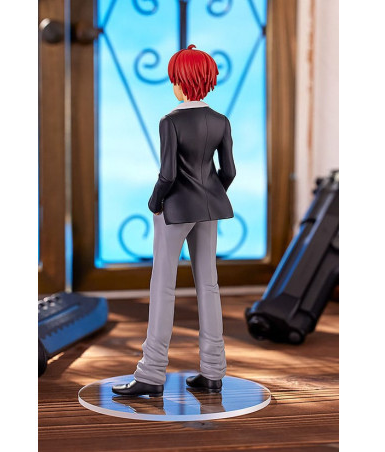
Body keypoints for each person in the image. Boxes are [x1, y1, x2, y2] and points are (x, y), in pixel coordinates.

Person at [112, 44, 236, 397]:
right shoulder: (220, 121)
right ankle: (213, 371)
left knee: (163, 285)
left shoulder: (170, 121)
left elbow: (167, 174)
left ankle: (151, 373)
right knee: (209, 285)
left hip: (176, 210)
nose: (173, 84)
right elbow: (228, 170)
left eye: (174, 78)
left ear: (182, 81)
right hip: (209, 209)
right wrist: (212, 193)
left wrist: (155, 203)